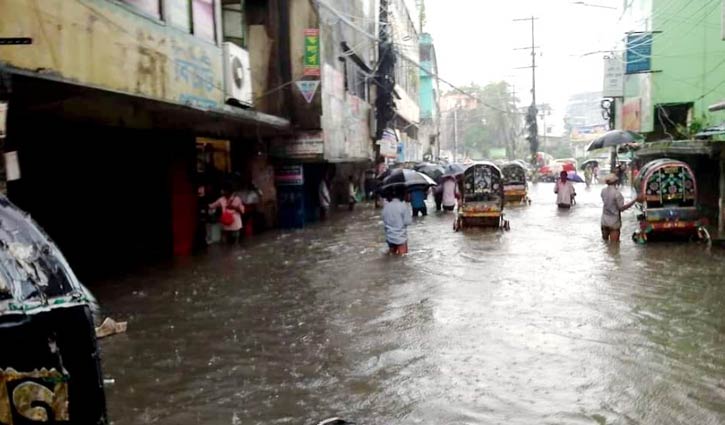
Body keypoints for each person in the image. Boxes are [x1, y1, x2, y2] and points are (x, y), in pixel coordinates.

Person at [601, 173, 641, 242]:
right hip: (614, 222)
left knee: (605, 243)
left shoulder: (603, 191)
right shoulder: (617, 193)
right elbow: (621, 208)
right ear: (616, 182)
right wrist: (635, 200)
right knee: (614, 247)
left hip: (604, 221)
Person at [382, 186, 412, 255]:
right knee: (402, 259)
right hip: (400, 237)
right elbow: (408, 221)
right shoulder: (403, 205)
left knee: (392, 257)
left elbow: (384, 220)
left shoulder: (386, 206)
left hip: (390, 237)